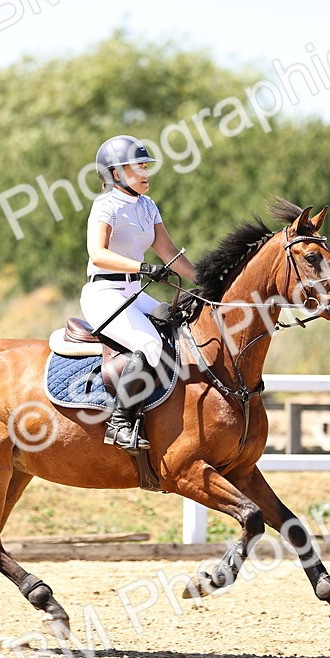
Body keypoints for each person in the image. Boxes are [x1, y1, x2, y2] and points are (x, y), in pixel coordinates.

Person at [84, 134, 197, 453]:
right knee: (149, 344)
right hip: (104, 294)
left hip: (134, 293)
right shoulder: (105, 205)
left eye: (146, 166)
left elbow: (168, 251)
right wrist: (144, 269)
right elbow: (97, 253)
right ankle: (119, 424)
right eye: (138, 167)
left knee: (177, 328)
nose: (146, 173)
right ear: (116, 174)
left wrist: (208, 278)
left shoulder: (148, 206)